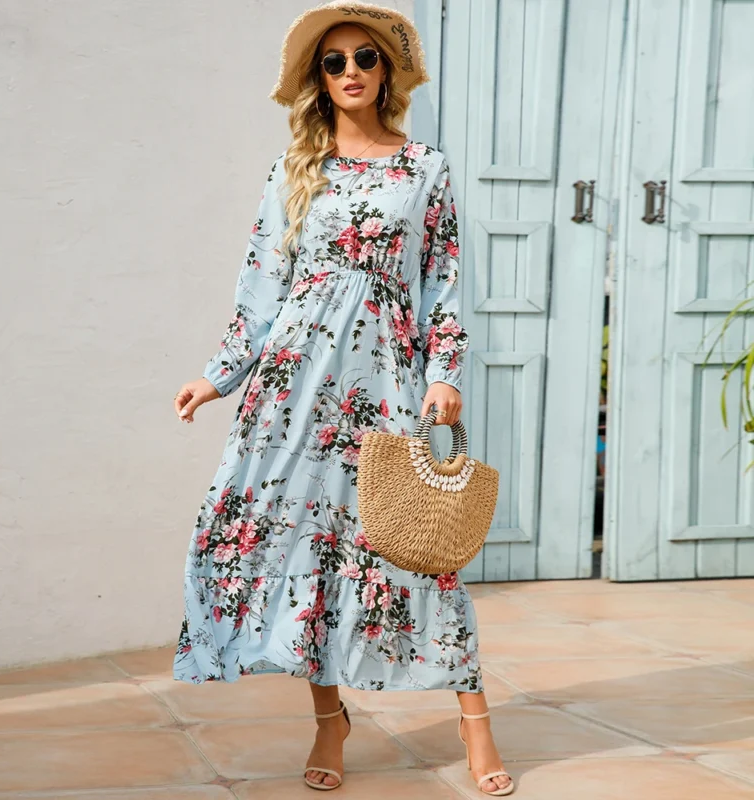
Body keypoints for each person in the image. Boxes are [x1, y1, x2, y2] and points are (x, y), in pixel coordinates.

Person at [172, 2, 513, 795]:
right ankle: (329, 718)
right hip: (293, 387)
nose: (351, 69)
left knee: (416, 549)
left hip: (385, 380)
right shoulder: (298, 167)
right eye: (334, 62)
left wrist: (444, 373)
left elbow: (445, 282)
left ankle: (474, 721)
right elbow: (262, 285)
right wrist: (219, 374)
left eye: (365, 56)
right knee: (294, 545)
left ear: (387, 71)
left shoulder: (424, 166)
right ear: (318, 81)